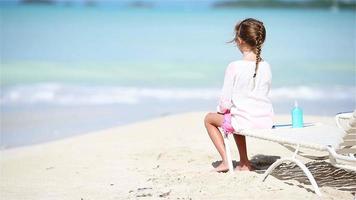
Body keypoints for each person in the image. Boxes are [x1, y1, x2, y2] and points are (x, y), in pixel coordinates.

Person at [204, 18, 274, 172]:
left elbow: (224, 103)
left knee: (210, 119)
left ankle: (226, 160)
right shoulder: (266, 66)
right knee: (235, 114)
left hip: (244, 121)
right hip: (265, 121)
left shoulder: (234, 66)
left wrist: (221, 111)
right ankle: (244, 162)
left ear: (240, 40)